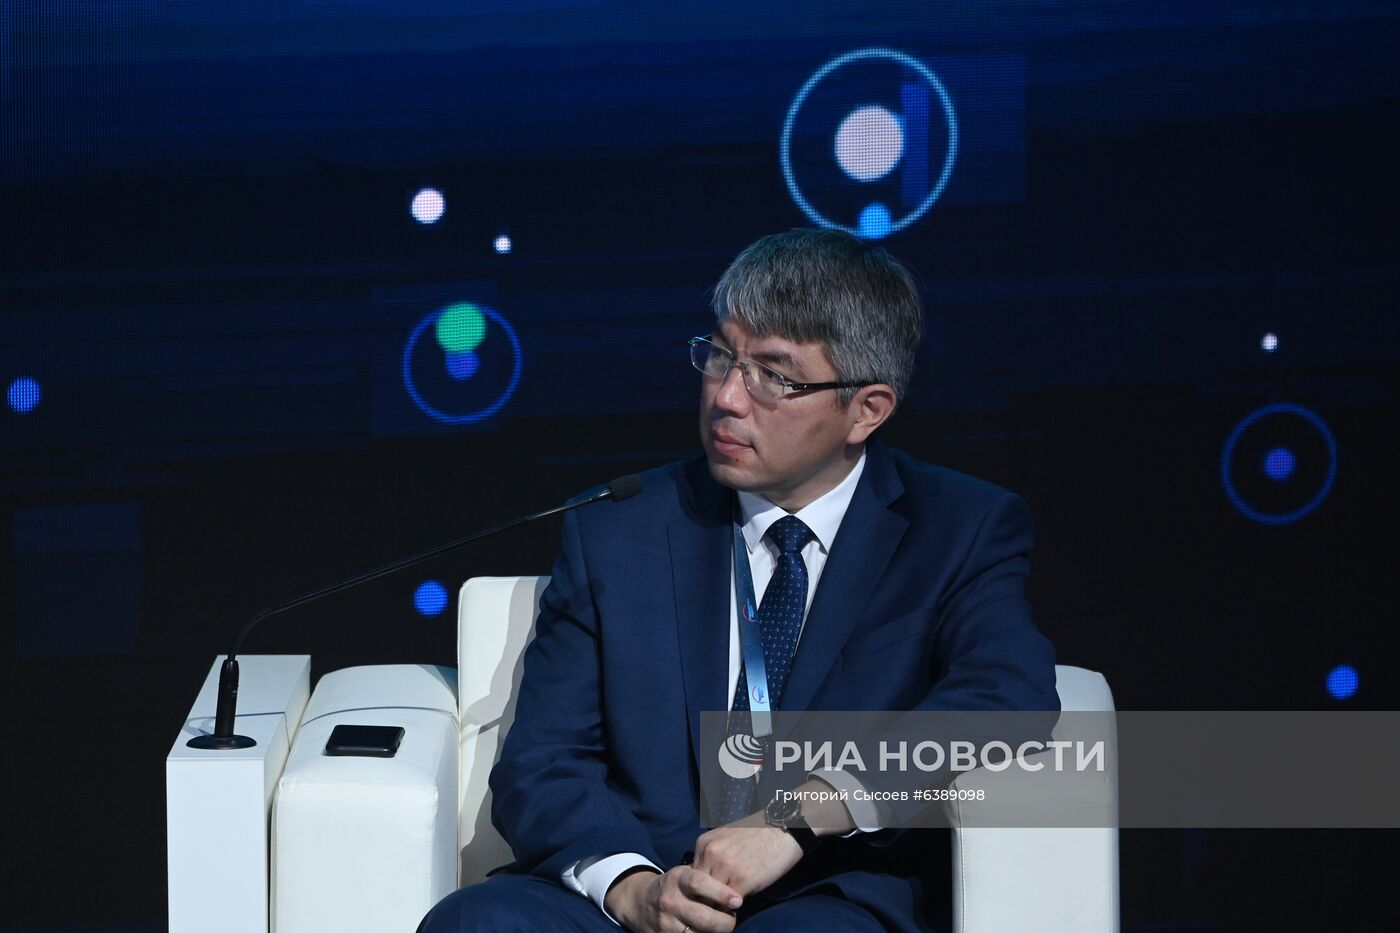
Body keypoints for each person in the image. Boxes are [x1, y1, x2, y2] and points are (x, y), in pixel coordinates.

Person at [418, 228, 1058, 932]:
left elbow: (1006, 698)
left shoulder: (957, 528)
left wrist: (796, 818)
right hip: (639, 887)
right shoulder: (619, 527)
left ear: (867, 410)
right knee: (479, 921)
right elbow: (544, 759)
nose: (726, 397)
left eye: (774, 377)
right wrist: (629, 886)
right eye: (721, 356)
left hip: (825, 890)